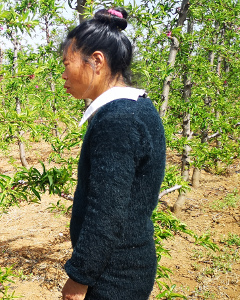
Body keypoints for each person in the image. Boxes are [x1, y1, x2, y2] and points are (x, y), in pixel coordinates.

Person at [59, 8, 166, 300]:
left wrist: (79, 279)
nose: (64, 74)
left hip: (112, 277)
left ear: (96, 61)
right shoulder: (138, 107)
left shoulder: (118, 119)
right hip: (126, 265)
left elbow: (106, 212)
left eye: (68, 64)